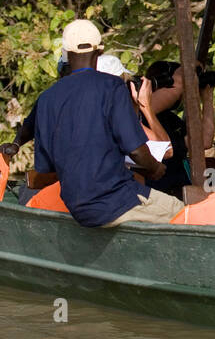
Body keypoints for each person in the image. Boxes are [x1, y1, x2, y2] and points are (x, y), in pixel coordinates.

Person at [29, 19, 182, 227]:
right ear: (99, 52)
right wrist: (155, 168)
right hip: (114, 202)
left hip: (78, 207)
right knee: (185, 214)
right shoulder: (111, 87)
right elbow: (137, 150)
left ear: (65, 54)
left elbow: (45, 166)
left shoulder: (47, 99)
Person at [138, 60, 215, 199]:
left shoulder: (171, 119)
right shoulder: (141, 114)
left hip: (181, 192)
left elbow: (204, 141)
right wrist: (186, 74)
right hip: (160, 193)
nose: (181, 95)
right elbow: (171, 90)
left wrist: (207, 98)